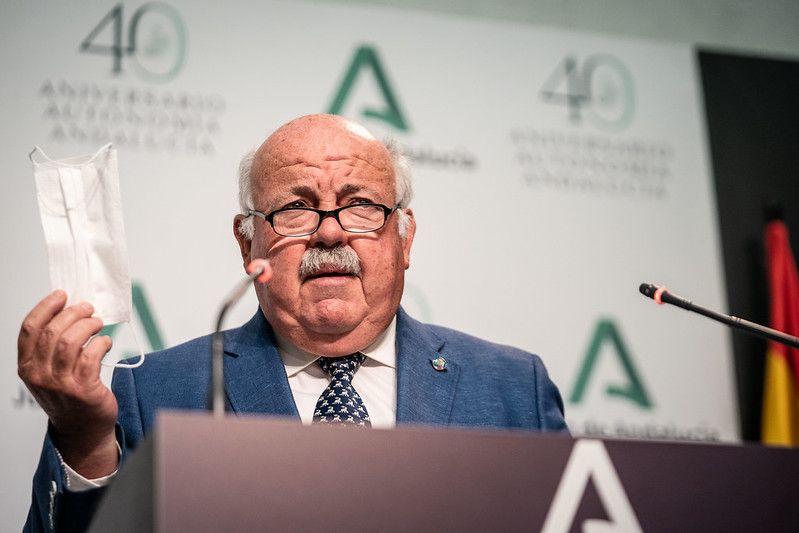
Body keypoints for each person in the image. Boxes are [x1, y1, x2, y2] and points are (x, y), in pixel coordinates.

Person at [19, 114, 567, 531]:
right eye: (296, 209)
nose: (329, 234)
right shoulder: (156, 391)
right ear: (246, 241)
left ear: (405, 238)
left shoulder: (512, 390)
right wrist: (85, 442)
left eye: (360, 206)